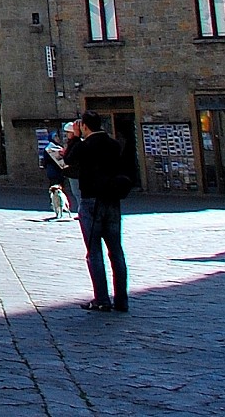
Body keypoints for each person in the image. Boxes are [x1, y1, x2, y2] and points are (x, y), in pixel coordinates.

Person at [66, 111, 131, 312]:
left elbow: (68, 159)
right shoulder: (114, 145)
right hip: (112, 201)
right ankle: (121, 300)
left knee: (94, 252)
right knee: (116, 251)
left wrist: (74, 138)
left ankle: (102, 299)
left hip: (91, 201)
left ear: (85, 126)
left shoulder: (85, 146)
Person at [42, 131, 74, 220]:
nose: (57, 138)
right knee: (55, 190)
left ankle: (62, 205)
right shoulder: (49, 148)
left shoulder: (58, 147)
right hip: (53, 172)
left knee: (61, 189)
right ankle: (56, 206)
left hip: (60, 172)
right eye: (55, 136)